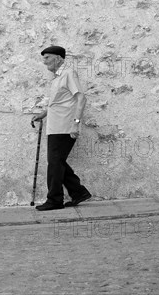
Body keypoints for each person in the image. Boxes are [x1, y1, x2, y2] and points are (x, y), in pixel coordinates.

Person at [31, 45, 92, 211]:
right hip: (55, 125)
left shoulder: (68, 73)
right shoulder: (57, 77)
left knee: (55, 164)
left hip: (65, 126)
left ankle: (55, 200)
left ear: (58, 58)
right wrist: (43, 114)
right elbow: (59, 102)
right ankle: (78, 192)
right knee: (58, 162)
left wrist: (76, 123)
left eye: (47, 58)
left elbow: (81, 98)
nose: (44, 62)